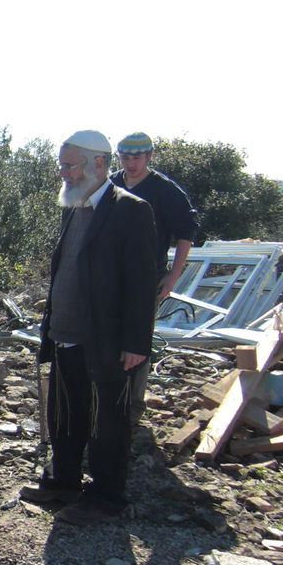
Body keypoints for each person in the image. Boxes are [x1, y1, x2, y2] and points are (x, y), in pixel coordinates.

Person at [20, 130, 157, 524]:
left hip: (106, 340)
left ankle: (106, 499)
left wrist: (136, 343)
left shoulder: (130, 210)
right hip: (65, 333)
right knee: (65, 414)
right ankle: (63, 482)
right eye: (61, 165)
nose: (63, 173)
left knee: (106, 423)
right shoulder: (74, 205)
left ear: (99, 163)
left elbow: (142, 283)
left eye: (70, 165)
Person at [111, 131, 200, 426]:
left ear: (149, 157)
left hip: (148, 277)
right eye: (125, 157)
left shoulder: (165, 190)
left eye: (137, 157)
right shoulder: (110, 184)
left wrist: (174, 275)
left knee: (137, 340)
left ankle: (132, 409)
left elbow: (186, 232)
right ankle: (107, 400)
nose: (131, 163)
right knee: (107, 335)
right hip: (110, 275)